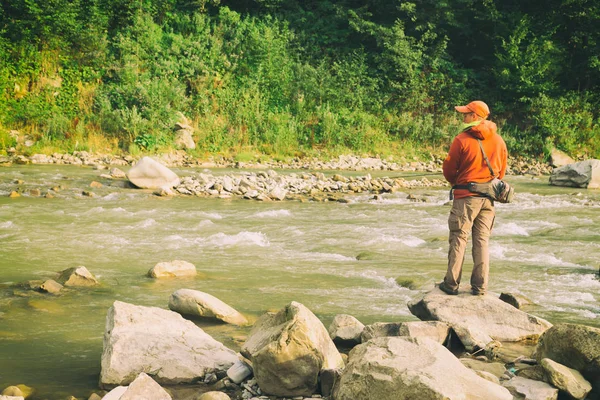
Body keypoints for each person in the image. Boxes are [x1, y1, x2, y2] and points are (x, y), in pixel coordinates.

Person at [438, 100, 508, 296]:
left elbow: (449, 170)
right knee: (482, 241)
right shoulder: (499, 140)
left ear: (475, 117)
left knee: (459, 238)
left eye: (466, 114)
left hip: (466, 197)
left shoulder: (461, 139)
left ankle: (451, 285)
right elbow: (501, 173)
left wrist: (456, 182)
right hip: (488, 198)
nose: (463, 116)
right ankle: (480, 287)